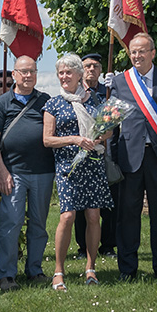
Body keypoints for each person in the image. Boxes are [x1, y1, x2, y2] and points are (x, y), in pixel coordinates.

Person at [109, 33, 157, 285]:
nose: (137, 56)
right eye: (133, 52)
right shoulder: (121, 82)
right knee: (127, 215)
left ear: (153, 53)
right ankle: (127, 268)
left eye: (142, 51)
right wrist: (111, 158)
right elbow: (112, 123)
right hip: (129, 158)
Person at [43, 53, 114, 291]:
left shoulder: (95, 100)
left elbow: (108, 132)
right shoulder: (53, 103)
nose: (64, 76)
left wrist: (99, 136)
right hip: (67, 167)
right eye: (61, 73)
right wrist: (74, 139)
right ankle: (58, 271)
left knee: (94, 216)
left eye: (68, 72)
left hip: (92, 163)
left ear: (79, 75)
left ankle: (91, 268)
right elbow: (47, 139)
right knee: (67, 216)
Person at [0, 56, 54, 292]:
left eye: (32, 72)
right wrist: (2, 171)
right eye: (23, 72)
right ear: (14, 74)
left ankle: (35, 270)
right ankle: (6, 274)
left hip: (43, 173)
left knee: (38, 224)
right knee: (11, 223)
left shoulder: (46, 100)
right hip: (13, 173)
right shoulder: (2, 103)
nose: (28, 76)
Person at [74, 52, 118, 259]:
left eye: (96, 66)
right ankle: (83, 247)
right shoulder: (75, 92)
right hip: (83, 154)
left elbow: (115, 119)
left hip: (105, 154)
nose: (92, 69)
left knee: (109, 203)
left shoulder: (108, 91)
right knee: (82, 204)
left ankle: (108, 245)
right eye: (88, 66)